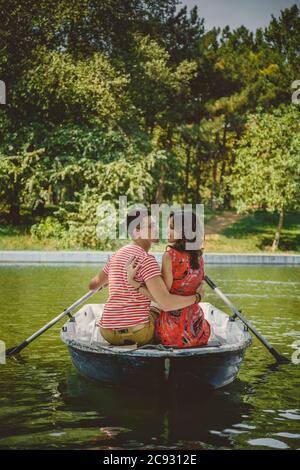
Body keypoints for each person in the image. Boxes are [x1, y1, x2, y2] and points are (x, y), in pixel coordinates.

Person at [88, 209, 203, 347]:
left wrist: (110, 280)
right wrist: (197, 297)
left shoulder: (116, 255)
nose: (157, 229)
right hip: (139, 334)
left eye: (155, 224)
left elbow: (93, 285)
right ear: (135, 232)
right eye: (150, 226)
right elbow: (165, 302)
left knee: (154, 302)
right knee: (156, 306)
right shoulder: (147, 260)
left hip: (107, 332)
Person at [127, 211, 210, 348]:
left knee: (152, 311)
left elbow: (162, 299)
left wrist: (135, 284)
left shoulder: (170, 255)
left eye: (172, 227)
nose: (167, 231)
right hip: (197, 330)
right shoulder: (199, 257)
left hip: (172, 333)